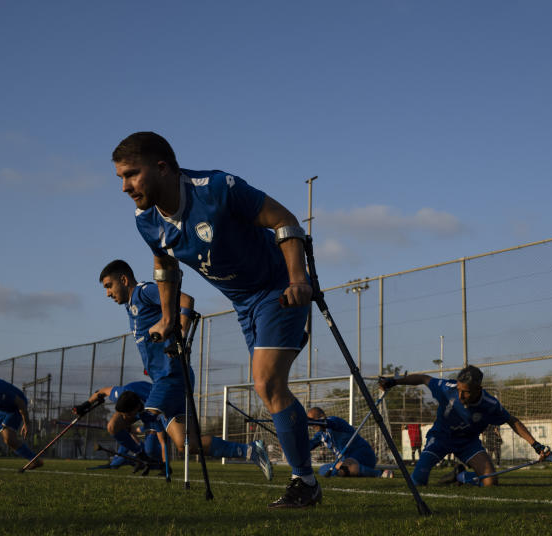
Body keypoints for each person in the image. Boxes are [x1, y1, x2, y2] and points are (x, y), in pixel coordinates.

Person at [113, 132, 315, 508]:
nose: (125, 187)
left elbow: (285, 220)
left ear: (161, 168)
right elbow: (165, 265)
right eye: (121, 178)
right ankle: (306, 475)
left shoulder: (218, 188)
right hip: (242, 303)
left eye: (131, 175)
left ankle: (305, 481)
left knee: (267, 383)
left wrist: (299, 279)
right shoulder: (146, 221)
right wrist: (169, 318)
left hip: (277, 287)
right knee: (271, 387)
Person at [94, 264, 272, 481]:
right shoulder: (131, 306)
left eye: (109, 286)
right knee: (186, 443)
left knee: (129, 418)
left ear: (123, 280)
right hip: (164, 377)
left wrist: (181, 337)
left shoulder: (144, 292)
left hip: (172, 376)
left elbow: (186, 301)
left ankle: (140, 455)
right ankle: (251, 451)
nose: (108, 293)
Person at [377, 365, 551, 487]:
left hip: (468, 443)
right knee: (418, 481)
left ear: (478, 389)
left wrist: (536, 445)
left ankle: (459, 476)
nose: (460, 395)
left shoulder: (490, 404)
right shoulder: (447, 388)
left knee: (490, 482)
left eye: (465, 391)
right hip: (440, 437)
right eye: (459, 390)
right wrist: (394, 381)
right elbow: (424, 378)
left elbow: (512, 421)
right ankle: (445, 473)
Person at [307, 407, 393, 479]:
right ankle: (348, 470)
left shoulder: (335, 421)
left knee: (347, 465)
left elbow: (329, 423)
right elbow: (308, 446)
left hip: (364, 455)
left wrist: (316, 421)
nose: (312, 425)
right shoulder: (320, 435)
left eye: (313, 421)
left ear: (322, 417)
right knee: (322, 469)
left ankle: (379, 473)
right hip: (345, 462)